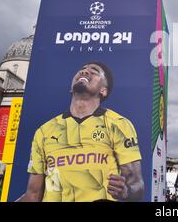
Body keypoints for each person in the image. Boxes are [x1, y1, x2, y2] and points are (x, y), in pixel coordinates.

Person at [17, 62, 144, 202]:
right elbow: (33, 195)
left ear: (103, 90)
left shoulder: (119, 124)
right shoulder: (44, 131)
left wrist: (125, 192)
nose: (84, 72)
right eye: (82, 69)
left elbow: (137, 185)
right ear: (71, 87)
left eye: (94, 71)